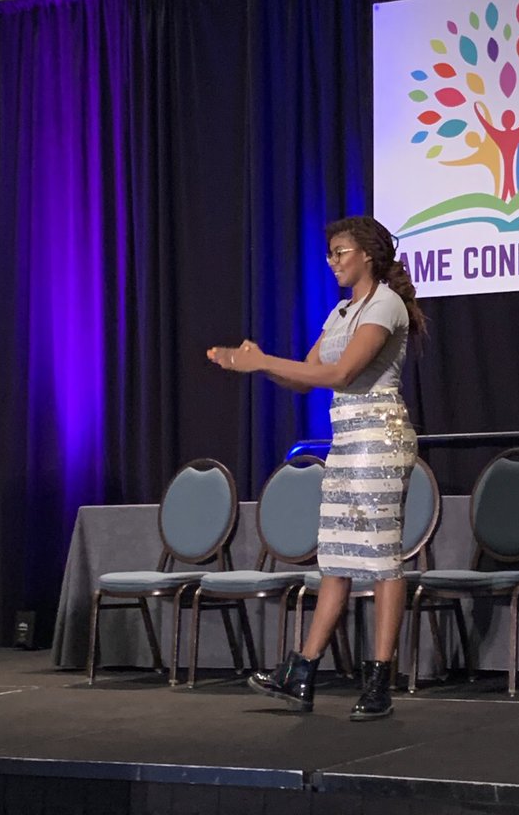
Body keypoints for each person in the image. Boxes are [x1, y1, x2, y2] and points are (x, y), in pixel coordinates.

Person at [208, 215, 425, 720]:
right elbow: (307, 377)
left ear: (367, 254)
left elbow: (342, 373)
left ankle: (378, 682)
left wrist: (263, 363)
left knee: (381, 556)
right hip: (347, 440)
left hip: (380, 437)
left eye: (341, 251)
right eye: (329, 253)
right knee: (337, 554)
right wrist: (258, 361)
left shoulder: (385, 305)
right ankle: (301, 673)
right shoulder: (341, 312)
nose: (333, 262)